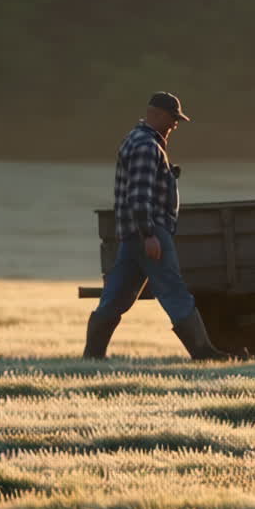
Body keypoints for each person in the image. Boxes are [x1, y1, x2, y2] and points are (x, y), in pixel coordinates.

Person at [84, 92, 223, 360]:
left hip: (132, 233)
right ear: (156, 114)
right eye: (172, 118)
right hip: (148, 230)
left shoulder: (135, 140)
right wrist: (149, 234)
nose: (175, 125)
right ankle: (203, 352)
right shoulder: (147, 146)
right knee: (172, 289)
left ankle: (92, 356)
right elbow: (139, 195)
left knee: (117, 296)